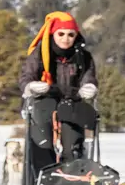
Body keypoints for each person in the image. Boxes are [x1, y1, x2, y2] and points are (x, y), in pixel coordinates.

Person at [20, 11, 100, 169]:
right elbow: (26, 76)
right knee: (43, 138)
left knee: (73, 141)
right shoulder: (40, 53)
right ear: (53, 34)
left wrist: (89, 86)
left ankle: (71, 173)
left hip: (72, 100)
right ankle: (43, 172)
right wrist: (31, 87)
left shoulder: (83, 56)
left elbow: (88, 75)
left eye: (71, 34)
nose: (66, 38)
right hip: (44, 98)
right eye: (61, 34)